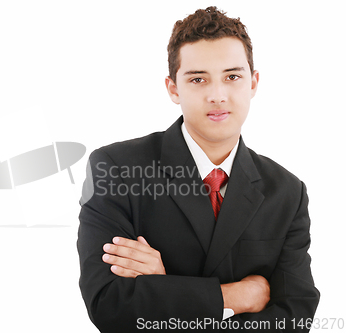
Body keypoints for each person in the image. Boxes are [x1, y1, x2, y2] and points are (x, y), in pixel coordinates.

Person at [77, 6, 319, 333]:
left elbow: (295, 316)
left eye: (232, 77)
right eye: (198, 79)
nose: (217, 95)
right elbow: (110, 304)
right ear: (173, 88)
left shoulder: (287, 192)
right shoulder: (118, 169)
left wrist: (166, 287)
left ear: (253, 83)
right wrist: (238, 295)